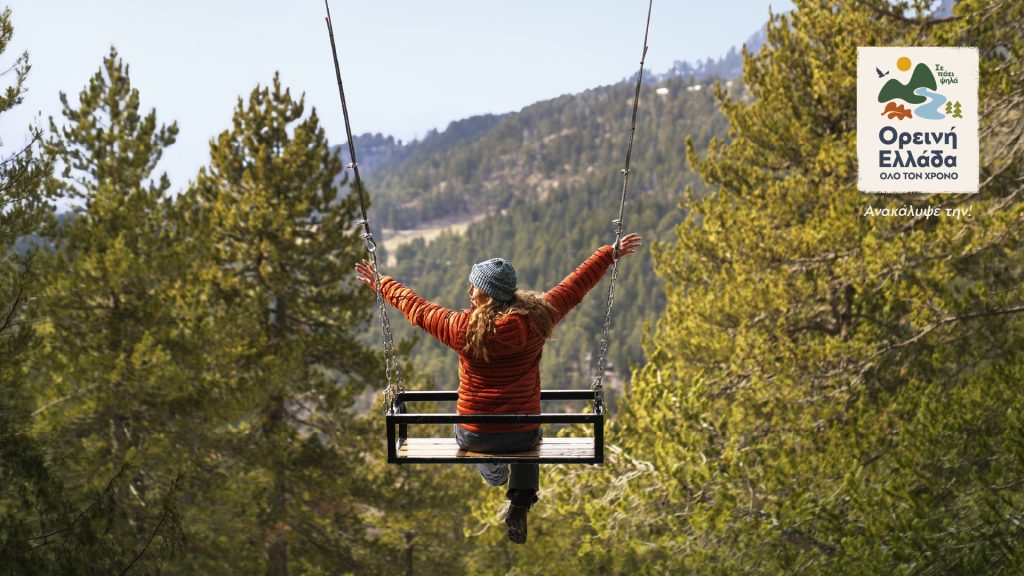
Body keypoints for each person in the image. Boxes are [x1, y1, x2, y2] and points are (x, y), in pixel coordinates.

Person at [354, 233, 642, 544]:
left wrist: (382, 284)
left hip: (474, 432)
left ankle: (494, 474)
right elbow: (574, 286)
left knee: (491, 459)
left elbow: (418, 308)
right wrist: (607, 254)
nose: (469, 292)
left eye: (474, 287)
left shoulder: (461, 330)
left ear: (489, 296)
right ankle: (520, 502)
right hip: (521, 433)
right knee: (530, 438)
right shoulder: (539, 318)